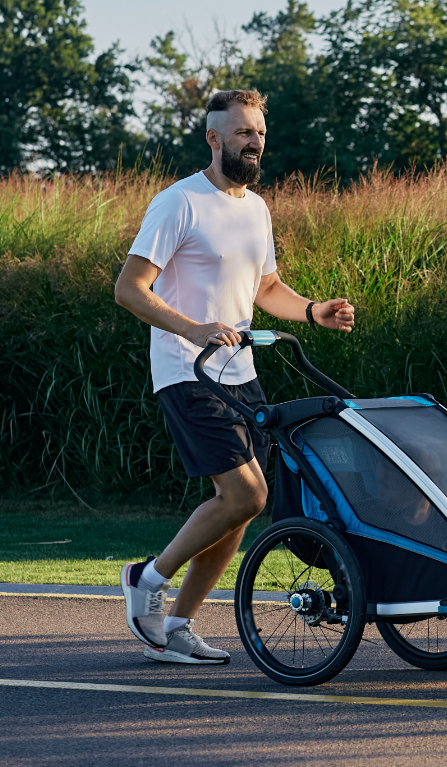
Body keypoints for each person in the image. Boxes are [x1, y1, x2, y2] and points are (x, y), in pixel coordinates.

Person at [113, 88, 356, 664]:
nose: (254, 141)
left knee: (243, 505)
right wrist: (193, 328)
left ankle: (177, 628)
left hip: (241, 373)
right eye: (243, 131)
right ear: (213, 137)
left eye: (260, 133)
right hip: (186, 369)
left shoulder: (258, 208)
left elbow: (267, 289)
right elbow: (129, 289)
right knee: (247, 493)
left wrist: (313, 309)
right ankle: (147, 578)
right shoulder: (180, 203)